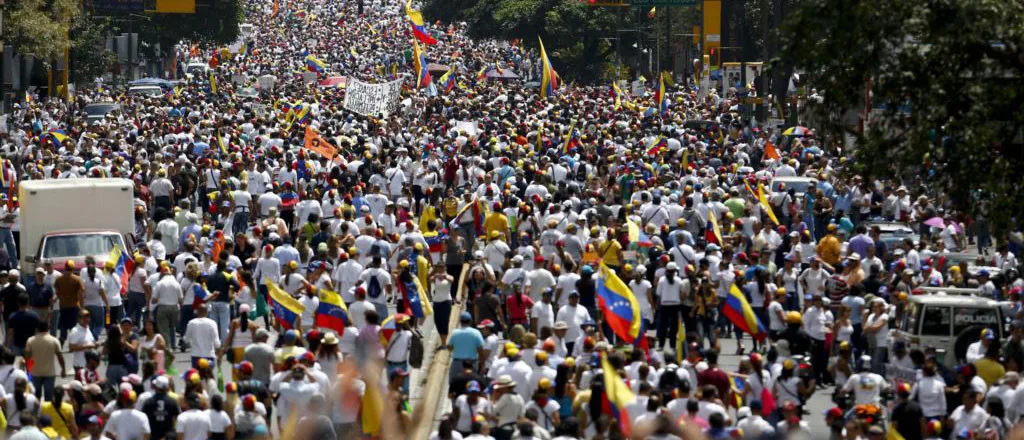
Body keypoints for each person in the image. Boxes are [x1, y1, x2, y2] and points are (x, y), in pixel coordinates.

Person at [24, 320, 65, 401]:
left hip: (35, 373)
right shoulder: (54, 340)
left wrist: (29, 372)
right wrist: (63, 369)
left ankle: (36, 413)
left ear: (37, 329)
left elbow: (28, 358)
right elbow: (60, 357)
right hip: (50, 373)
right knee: (49, 398)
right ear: (48, 327)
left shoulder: (30, 341)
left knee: (35, 397)